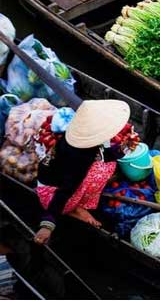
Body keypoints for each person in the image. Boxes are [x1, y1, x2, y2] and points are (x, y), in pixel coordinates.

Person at [33, 99, 136, 245]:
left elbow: (104, 152)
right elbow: (64, 192)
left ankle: (77, 204)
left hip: (54, 178)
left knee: (108, 163)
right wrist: (47, 224)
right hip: (52, 193)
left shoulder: (81, 138)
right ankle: (74, 208)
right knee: (104, 168)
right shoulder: (81, 157)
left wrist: (123, 150)